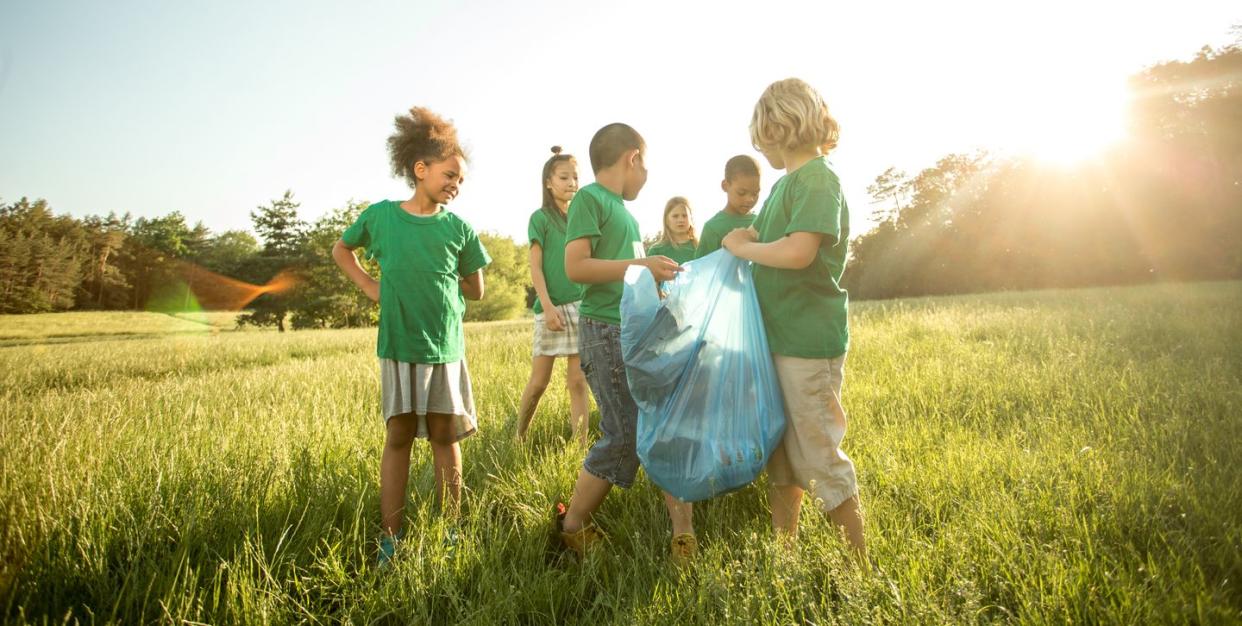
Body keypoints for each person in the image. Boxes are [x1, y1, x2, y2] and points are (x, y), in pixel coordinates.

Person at [331, 106, 491, 566]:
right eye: (449, 174)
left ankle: (451, 533)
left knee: (446, 436)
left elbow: (475, 289)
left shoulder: (458, 228)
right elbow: (342, 249)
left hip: (444, 348)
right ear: (420, 169)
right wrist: (369, 285)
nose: (455, 184)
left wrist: (449, 286)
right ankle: (391, 538)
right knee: (398, 435)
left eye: (461, 180)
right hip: (399, 345)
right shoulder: (381, 217)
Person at [723, 78, 867, 563]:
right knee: (782, 456)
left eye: (764, 135)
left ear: (780, 127)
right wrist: (746, 239)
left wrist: (746, 248)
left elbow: (800, 252)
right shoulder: (785, 185)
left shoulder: (820, 179)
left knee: (818, 451)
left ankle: (859, 566)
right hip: (778, 340)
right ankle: (787, 554)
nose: (761, 146)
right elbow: (769, 240)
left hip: (808, 342)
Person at [554, 123, 698, 565]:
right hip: (605, 331)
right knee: (625, 434)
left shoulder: (622, 210)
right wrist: (641, 264)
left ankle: (683, 536)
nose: (647, 174)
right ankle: (571, 526)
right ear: (632, 157)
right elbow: (576, 267)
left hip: (633, 330)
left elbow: (629, 277)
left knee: (662, 424)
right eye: (646, 164)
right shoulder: (591, 199)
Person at [516, 147, 592, 446]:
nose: (571, 182)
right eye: (564, 177)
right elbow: (535, 267)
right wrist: (547, 307)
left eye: (576, 176)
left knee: (578, 381)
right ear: (549, 182)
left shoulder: (582, 216)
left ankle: (580, 446)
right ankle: (519, 437)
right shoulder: (541, 218)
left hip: (581, 304)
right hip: (551, 306)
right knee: (539, 383)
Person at [695, 155, 762, 258]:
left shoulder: (760, 223)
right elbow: (702, 270)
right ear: (725, 186)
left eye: (755, 193)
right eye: (741, 193)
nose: (750, 199)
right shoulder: (713, 228)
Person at [645, 196, 698, 264]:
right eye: (675, 216)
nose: (681, 220)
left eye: (685, 216)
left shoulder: (700, 248)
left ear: (691, 218)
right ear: (666, 220)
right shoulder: (656, 251)